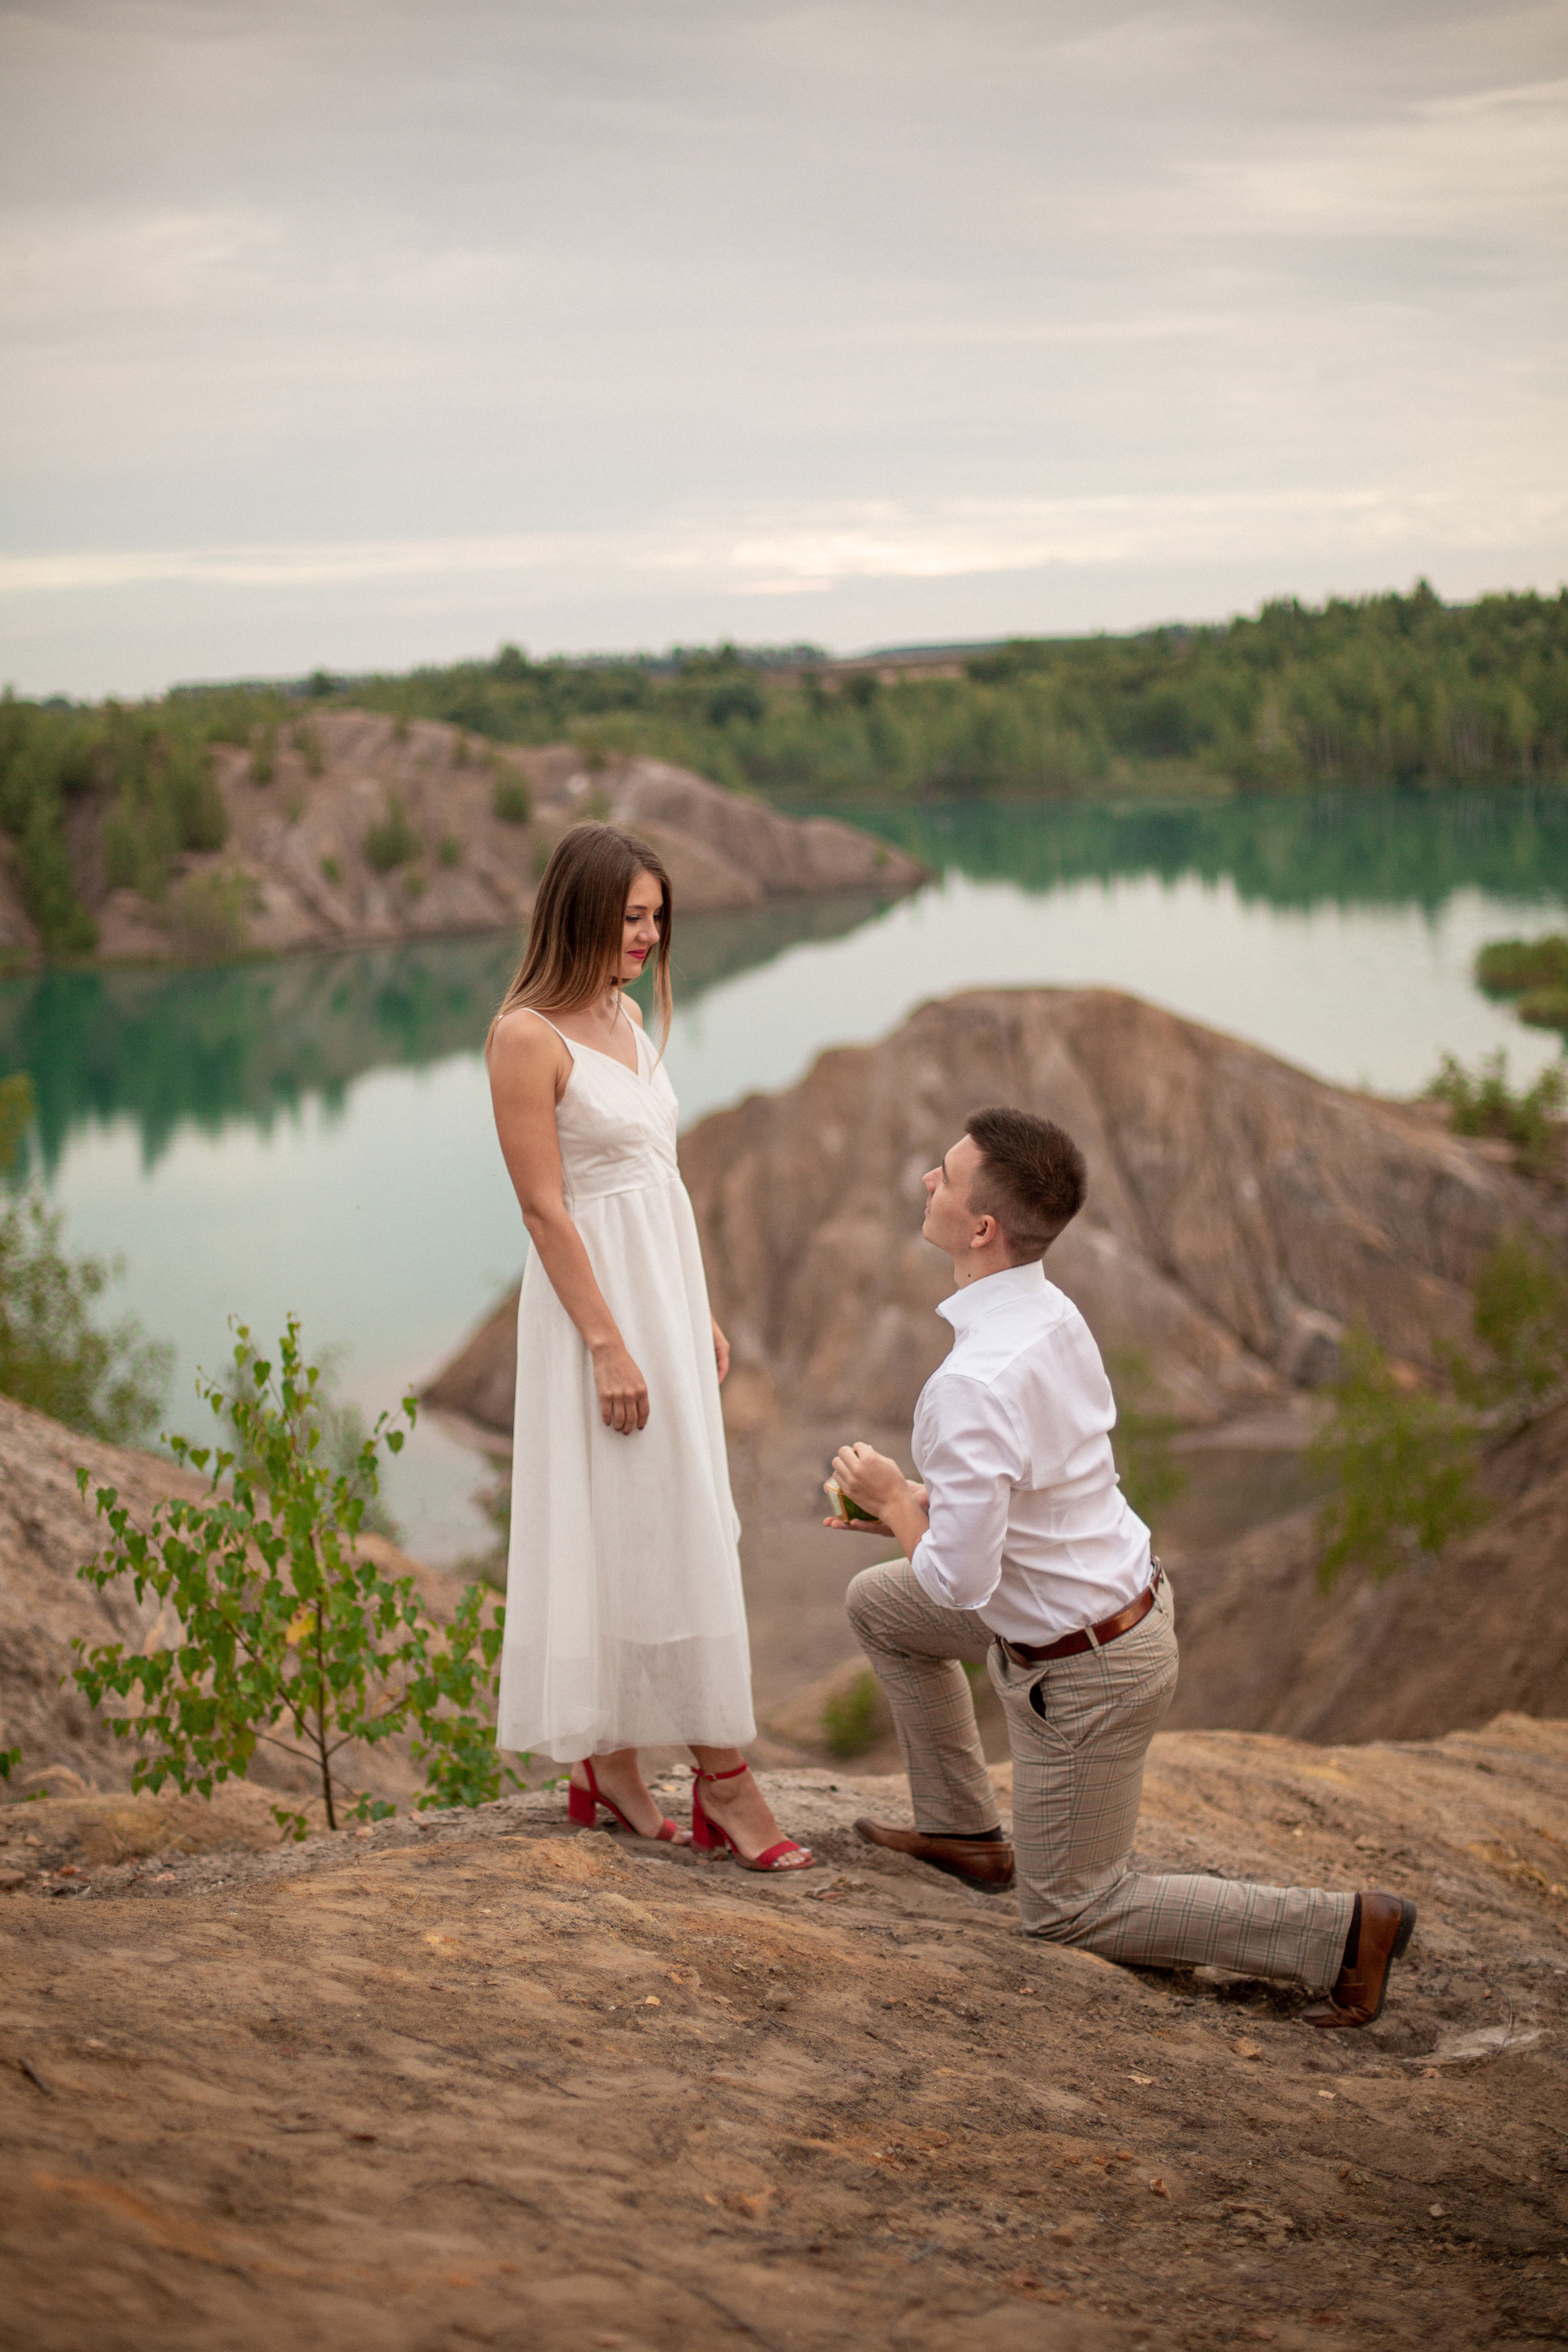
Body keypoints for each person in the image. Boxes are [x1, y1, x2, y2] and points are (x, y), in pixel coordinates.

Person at [826, 1105, 1414, 2027]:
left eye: (943, 1174)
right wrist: (930, 1513)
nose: (926, 1183)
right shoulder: (1050, 1312)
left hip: (1086, 1669)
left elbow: (958, 1585)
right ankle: (963, 1831)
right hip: (1112, 1603)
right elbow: (1046, 1490)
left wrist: (898, 1499)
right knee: (881, 1605)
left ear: (982, 1228)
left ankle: (1340, 1934)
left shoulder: (970, 1383)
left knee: (1069, 1910)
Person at [486, 823, 812, 1872]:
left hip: (662, 1301)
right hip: (598, 1315)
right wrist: (609, 1345)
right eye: (633, 916)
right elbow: (545, 1211)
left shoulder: (625, 1017)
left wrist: (694, 1309)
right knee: (648, 1519)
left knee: (660, 1518)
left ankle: (613, 1765)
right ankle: (723, 1780)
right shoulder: (526, 1037)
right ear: (582, 909)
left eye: (658, 917)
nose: (650, 935)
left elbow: (655, 1183)